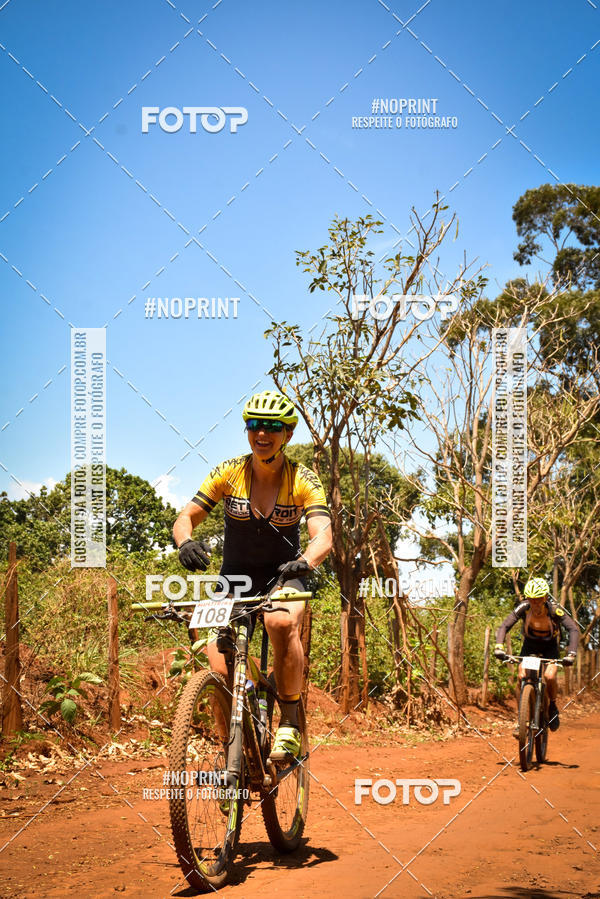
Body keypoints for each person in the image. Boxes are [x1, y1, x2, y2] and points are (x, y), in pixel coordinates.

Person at [173, 390, 332, 760]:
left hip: (286, 574)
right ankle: (235, 747)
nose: (262, 433)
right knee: (216, 662)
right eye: (254, 425)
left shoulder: (302, 479)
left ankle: (290, 718)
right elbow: (187, 516)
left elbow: (323, 534)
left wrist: (306, 561)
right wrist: (184, 542)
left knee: (278, 623)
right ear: (247, 430)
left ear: (288, 434)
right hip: (234, 579)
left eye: (272, 427)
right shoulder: (228, 472)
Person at [494, 577, 579, 732]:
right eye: (531, 600)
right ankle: (522, 718)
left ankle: (552, 707)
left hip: (550, 647)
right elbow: (505, 625)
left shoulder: (555, 610)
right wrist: (499, 647)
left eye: (538, 600)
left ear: (545, 598)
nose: (534, 604)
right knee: (521, 676)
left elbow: (573, 629)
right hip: (530, 646)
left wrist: (571, 653)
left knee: (550, 676)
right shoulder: (524, 608)